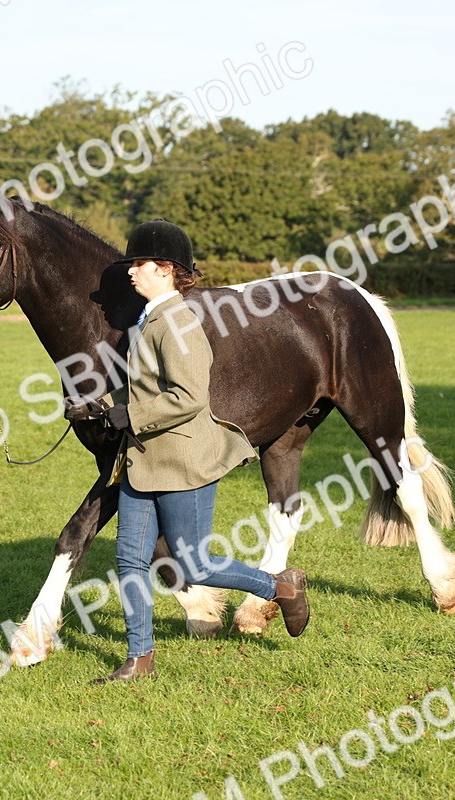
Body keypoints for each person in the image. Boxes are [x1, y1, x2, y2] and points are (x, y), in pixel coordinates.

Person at [67, 219, 310, 684]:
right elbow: (146, 390)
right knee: (130, 559)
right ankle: (141, 658)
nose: (131, 273)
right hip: (144, 461)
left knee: (193, 563)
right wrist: (99, 408)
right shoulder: (148, 320)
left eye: (139, 264)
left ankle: (278, 585)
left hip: (184, 463)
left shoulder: (177, 322)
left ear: (166, 270)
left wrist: (129, 418)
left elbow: (190, 396)